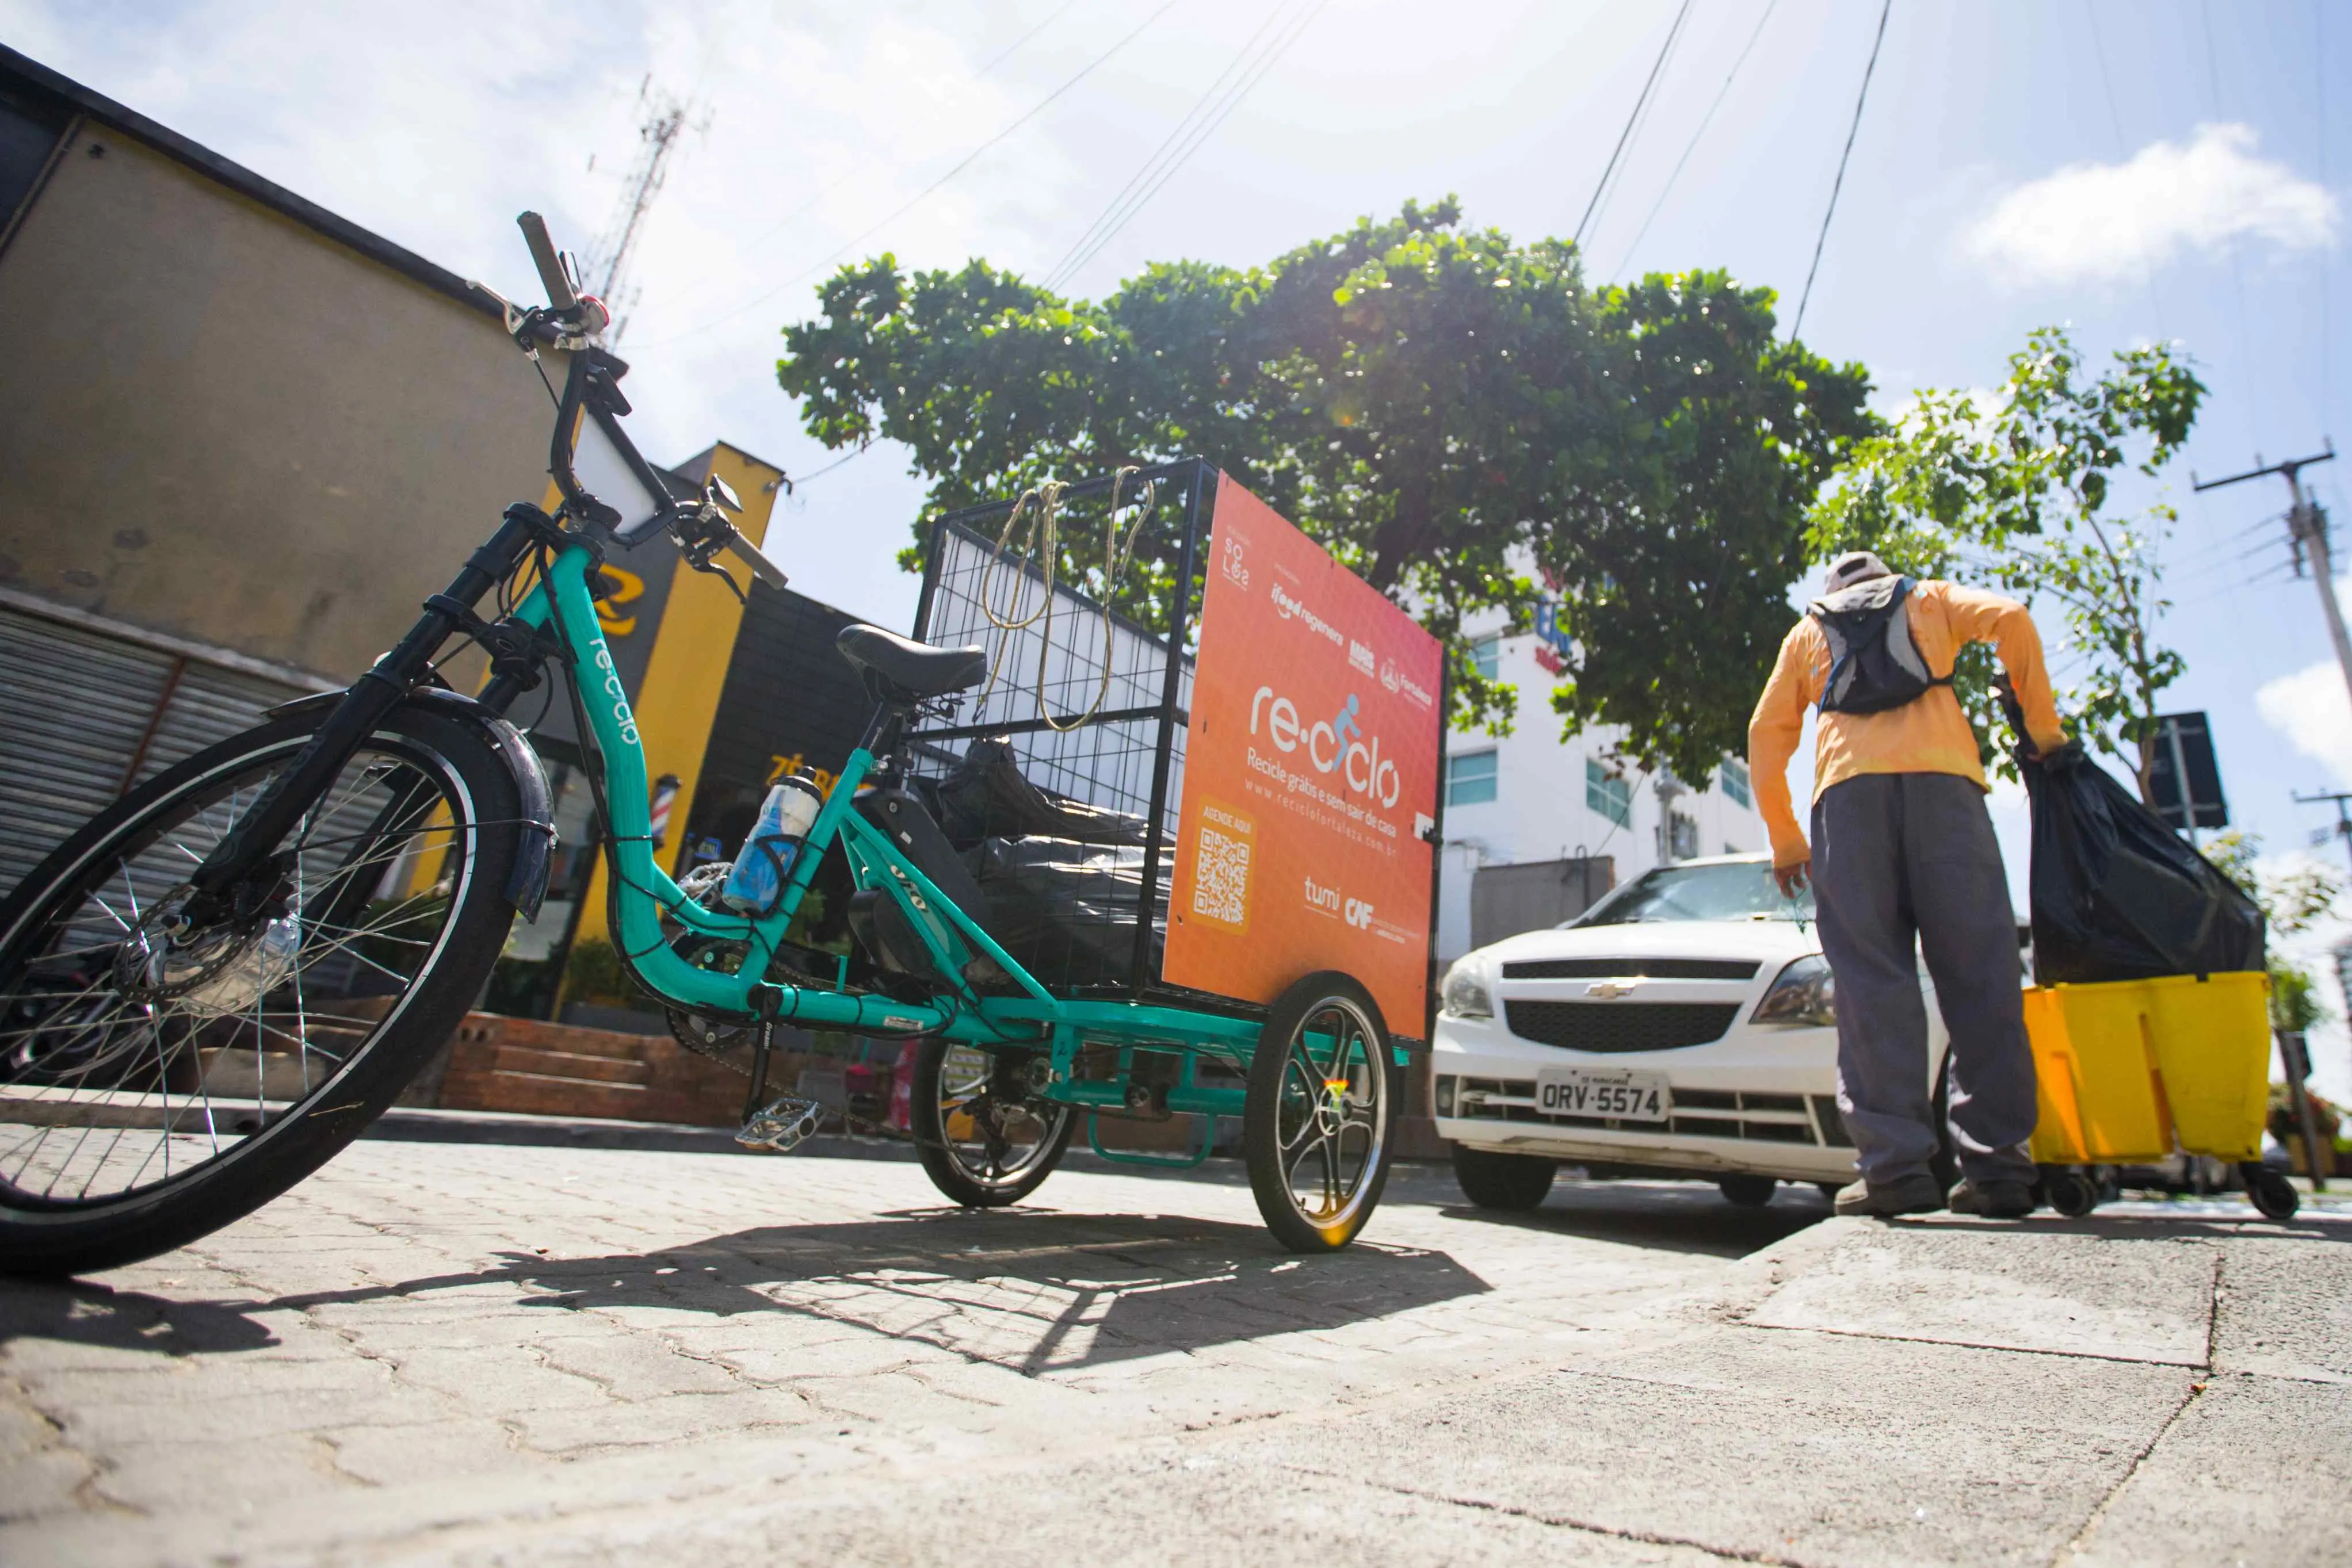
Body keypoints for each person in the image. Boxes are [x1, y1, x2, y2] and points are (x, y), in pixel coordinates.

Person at [1748, 551, 2070, 1219]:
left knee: (1870, 983)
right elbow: (2011, 619)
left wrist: (1785, 838)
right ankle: (1997, 1168)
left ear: (1832, 592)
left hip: (1847, 803)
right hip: (1946, 792)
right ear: (1883, 582)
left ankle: (1894, 1171)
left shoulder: (1807, 632)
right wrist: (2044, 733)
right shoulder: (1929, 598)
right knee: (1979, 973)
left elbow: (1764, 734)